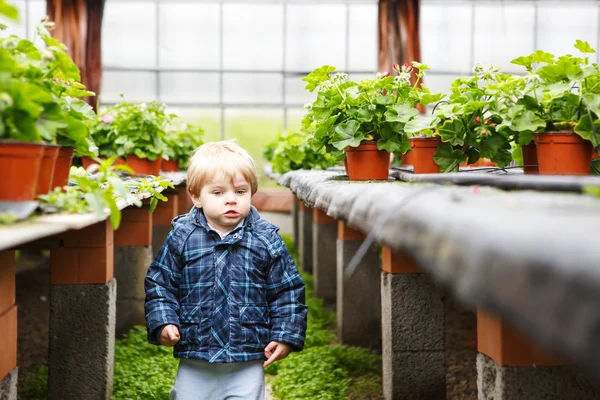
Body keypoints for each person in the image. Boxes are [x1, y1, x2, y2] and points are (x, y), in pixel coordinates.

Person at [144, 140, 308, 400]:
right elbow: (160, 283)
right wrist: (163, 320)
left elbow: (286, 290)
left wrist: (286, 335)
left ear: (251, 192)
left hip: (247, 358)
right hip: (196, 358)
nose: (231, 199)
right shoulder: (183, 237)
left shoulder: (265, 239)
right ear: (196, 197)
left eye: (240, 191)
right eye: (218, 193)